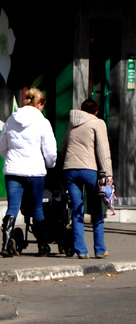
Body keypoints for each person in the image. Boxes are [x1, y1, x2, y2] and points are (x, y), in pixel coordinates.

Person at [0, 87, 57, 256]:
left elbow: (2, 145)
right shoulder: (42, 122)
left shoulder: (11, 119)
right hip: (34, 172)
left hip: (13, 171)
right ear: (39, 104)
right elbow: (50, 151)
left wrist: (11, 159)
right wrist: (50, 164)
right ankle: (43, 245)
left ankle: (5, 243)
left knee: (13, 207)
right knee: (37, 209)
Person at [61, 98, 112, 259]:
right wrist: (108, 174)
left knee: (77, 209)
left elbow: (63, 146)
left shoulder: (72, 124)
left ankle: (81, 251)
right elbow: (103, 150)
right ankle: (100, 248)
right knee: (96, 209)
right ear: (95, 111)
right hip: (90, 170)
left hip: (70, 170)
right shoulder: (98, 123)